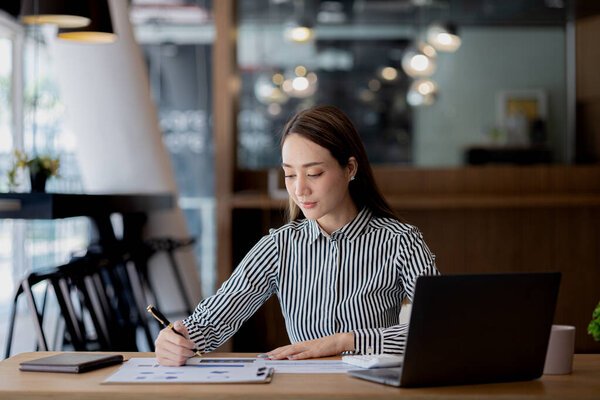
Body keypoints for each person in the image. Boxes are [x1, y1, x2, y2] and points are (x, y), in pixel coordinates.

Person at [154, 105, 439, 366]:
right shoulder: (279, 246)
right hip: (303, 389)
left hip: (372, 391)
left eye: (313, 173)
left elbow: (441, 327)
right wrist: (178, 340)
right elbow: (212, 322)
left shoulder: (401, 241)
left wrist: (346, 341)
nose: (299, 190)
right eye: (290, 175)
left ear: (349, 169)